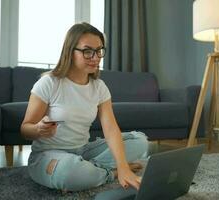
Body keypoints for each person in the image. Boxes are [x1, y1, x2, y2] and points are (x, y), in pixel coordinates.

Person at [20, 22, 149, 192]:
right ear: (70, 51)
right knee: (68, 172)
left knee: (140, 141)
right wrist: (38, 129)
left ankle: (89, 170)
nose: (96, 57)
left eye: (99, 50)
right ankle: (110, 173)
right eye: (88, 51)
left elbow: (110, 129)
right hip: (47, 154)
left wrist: (124, 165)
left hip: (84, 150)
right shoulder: (48, 83)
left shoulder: (99, 87)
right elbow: (24, 129)